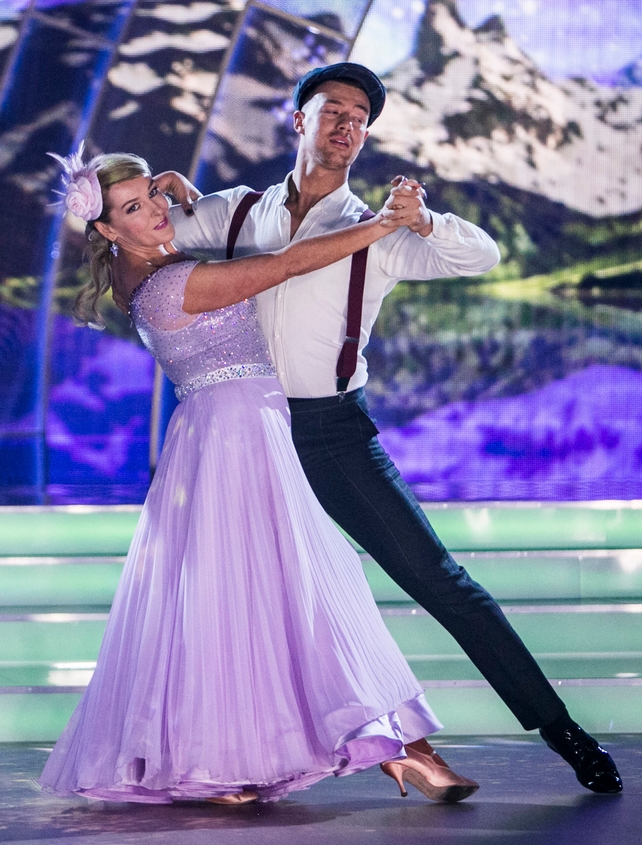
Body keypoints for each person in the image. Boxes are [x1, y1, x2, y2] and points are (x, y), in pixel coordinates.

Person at [159, 62, 622, 795]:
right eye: (332, 108)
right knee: (234, 599)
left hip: (333, 434)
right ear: (298, 119)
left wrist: (425, 219)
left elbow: (482, 255)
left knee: (443, 583)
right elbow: (148, 242)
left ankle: (564, 732)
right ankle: (236, 761)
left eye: (359, 117)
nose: (346, 123)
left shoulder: (375, 230)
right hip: (244, 435)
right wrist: (164, 191)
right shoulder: (236, 212)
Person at [40, 146, 480, 804]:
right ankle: (265, 758)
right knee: (261, 598)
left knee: (283, 596)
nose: (156, 211)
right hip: (238, 438)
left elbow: (214, 246)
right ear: (104, 229)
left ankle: (394, 745)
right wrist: (382, 225)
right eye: (134, 208)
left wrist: (184, 198)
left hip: (232, 432)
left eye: (151, 197)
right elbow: (283, 265)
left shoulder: (147, 272)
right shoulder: (172, 283)